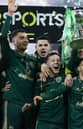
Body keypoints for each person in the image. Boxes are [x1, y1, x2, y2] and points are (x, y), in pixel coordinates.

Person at [1, 0, 37, 129]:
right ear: (13, 41)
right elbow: (2, 37)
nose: (26, 40)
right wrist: (10, 14)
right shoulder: (10, 56)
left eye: (27, 38)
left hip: (28, 105)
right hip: (13, 104)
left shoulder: (33, 60)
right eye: (21, 38)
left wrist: (43, 65)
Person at [33, 51, 71, 129]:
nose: (56, 62)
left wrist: (69, 74)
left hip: (60, 123)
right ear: (46, 64)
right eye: (53, 60)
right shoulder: (40, 80)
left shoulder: (64, 76)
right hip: (44, 122)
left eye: (58, 60)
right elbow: (37, 99)